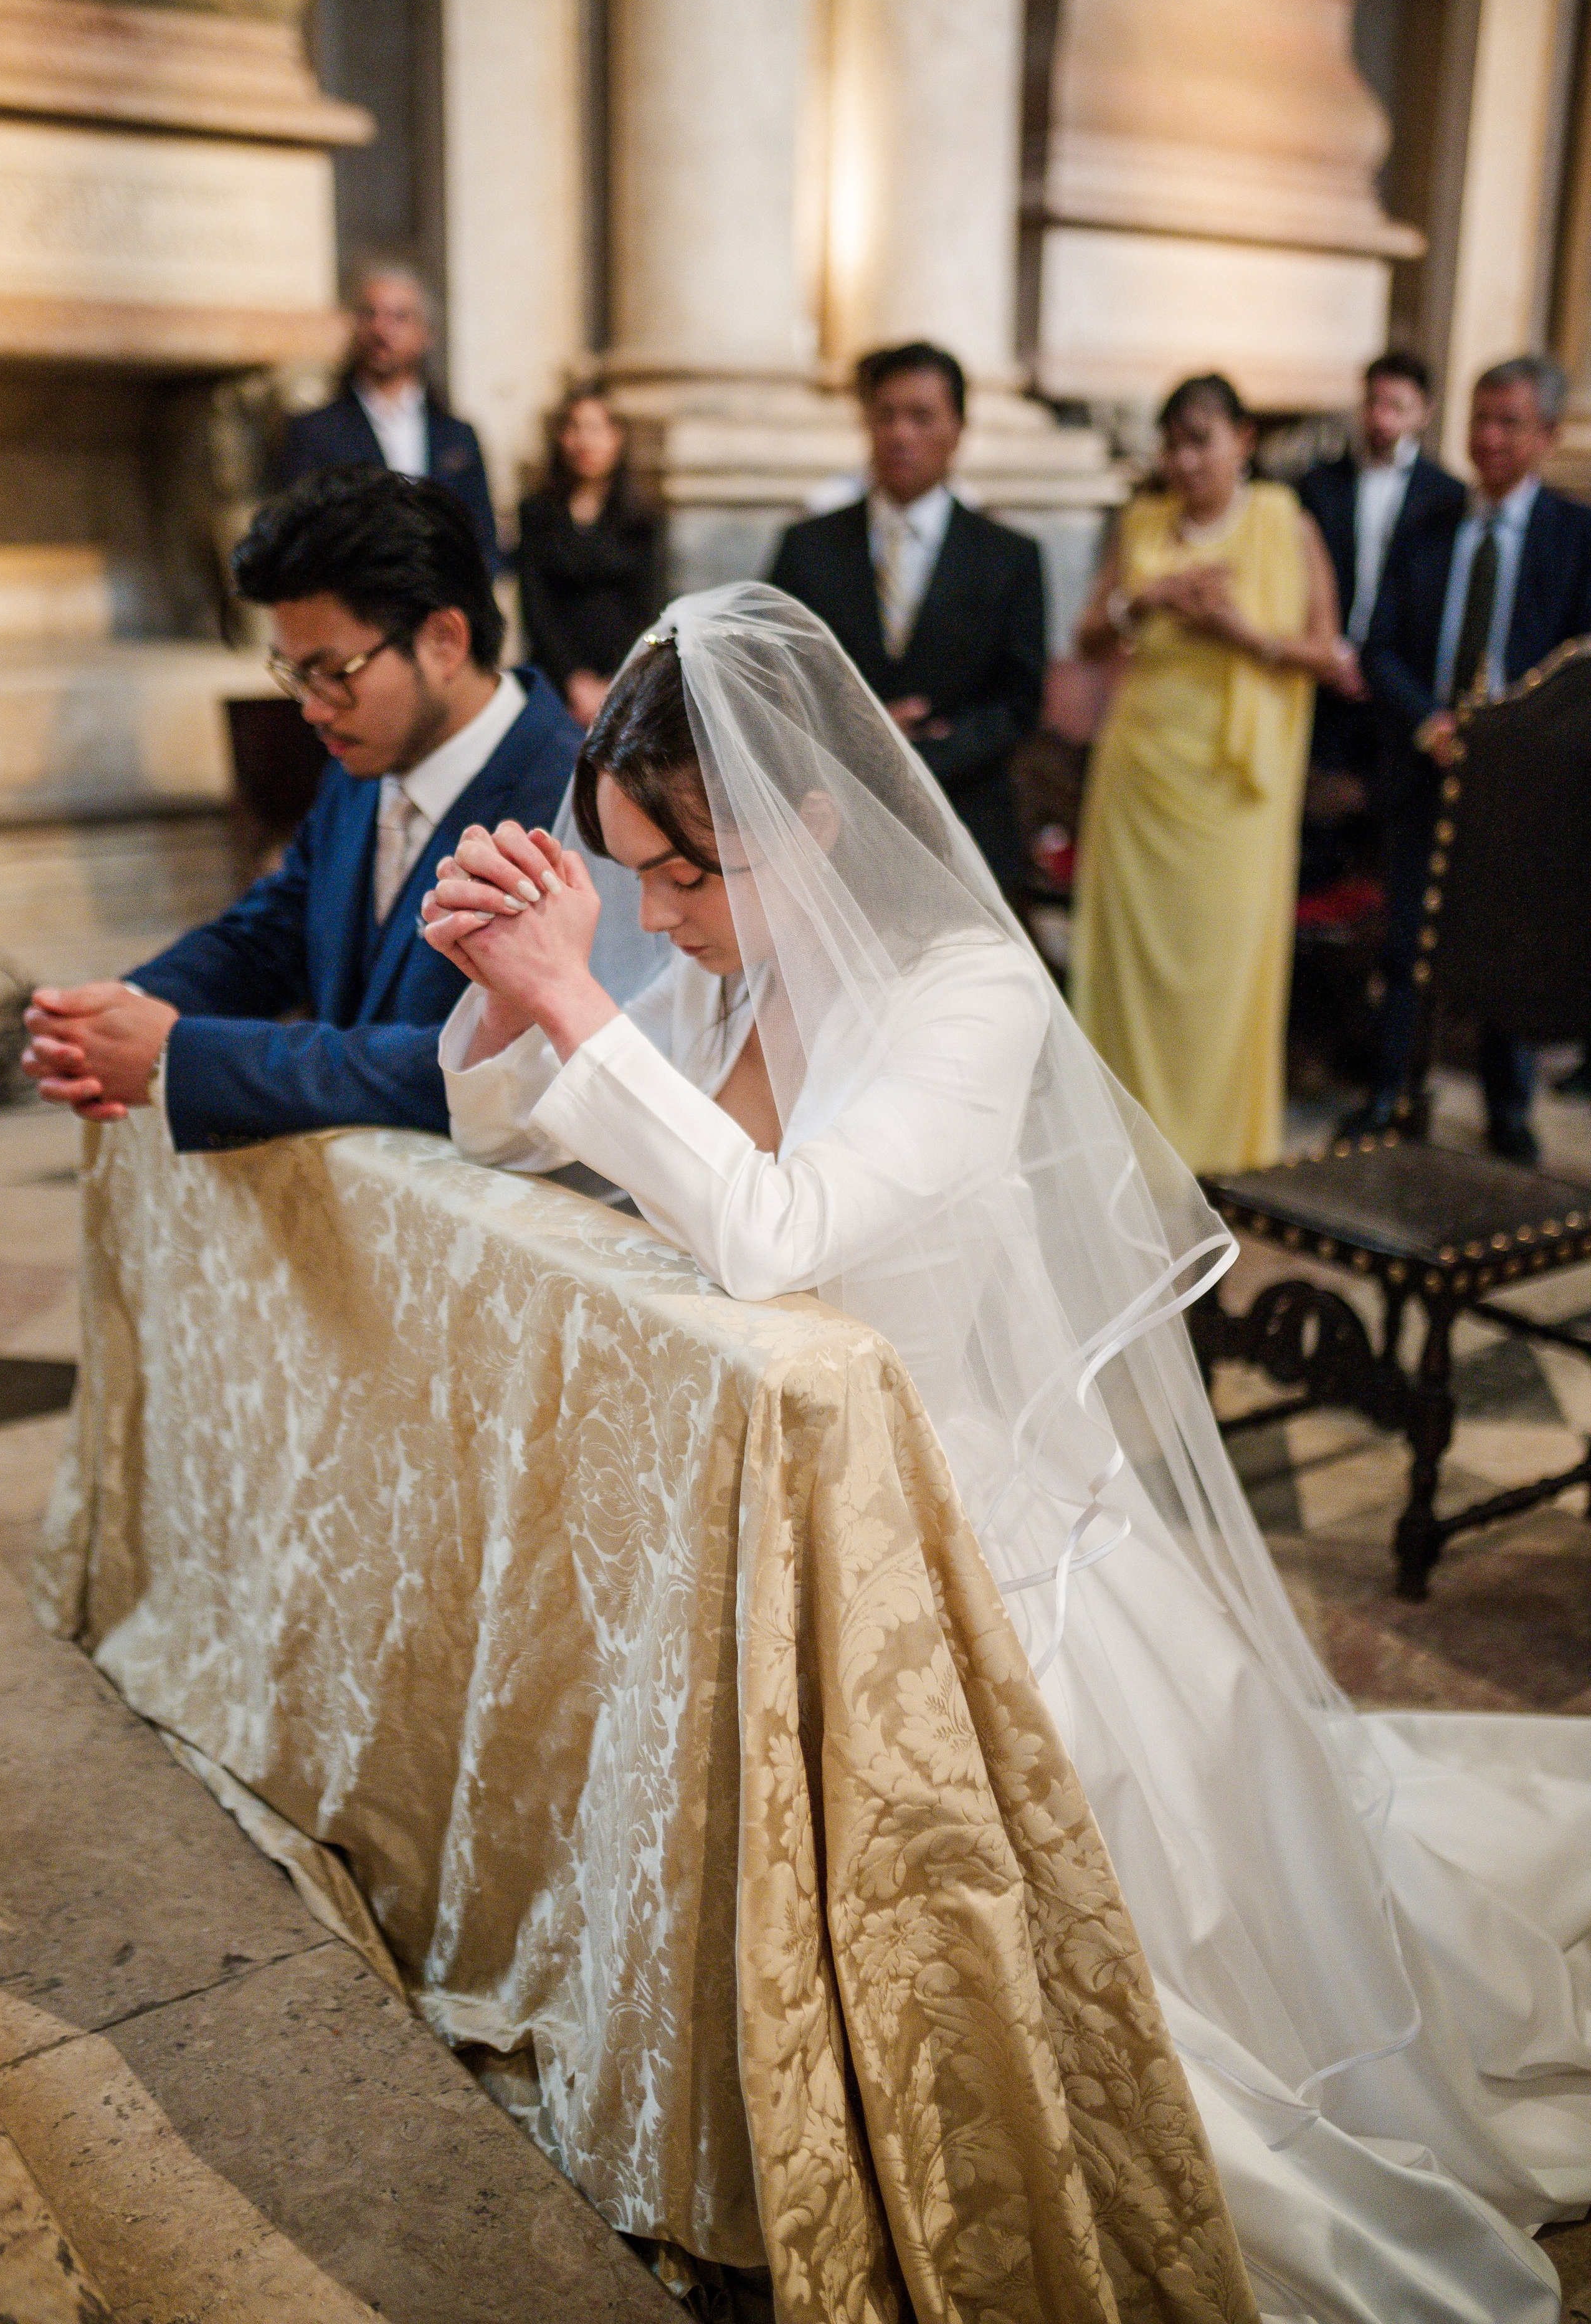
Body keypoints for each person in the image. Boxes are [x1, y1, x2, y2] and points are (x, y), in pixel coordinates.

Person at [422, 581, 1590, 2323]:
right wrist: (506, 995)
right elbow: (514, 1132)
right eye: (633, 877)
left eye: (684, 874)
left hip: (963, 1527)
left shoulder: (968, 995)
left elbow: (778, 1230)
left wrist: (578, 1003)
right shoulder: (730, 961)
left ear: (810, 824)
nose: (657, 917)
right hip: (786, 1499)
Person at [20, 469, 579, 1147]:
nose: (311, 709)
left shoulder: (569, 797)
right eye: (294, 673)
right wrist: (116, 1015)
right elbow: (275, 932)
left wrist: (182, 1058)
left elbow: (479, 1064)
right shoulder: (367, 759)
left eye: (333, 672)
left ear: (444, 640)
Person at [1068, 374, 1355, 1173]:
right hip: (1142, 771)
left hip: (1236, 787)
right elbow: (1087, 637)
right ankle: (1127, 1146)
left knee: (1222, 965)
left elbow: (1327, 652)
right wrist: (1146, 598)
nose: (1185, 461)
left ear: (1244, 440)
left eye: (1201, 440)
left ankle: (1217, 1150)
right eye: (1172, 444)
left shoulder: (1284, 521)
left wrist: (1241, 632)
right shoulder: (1141, 521)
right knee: (1130, 968)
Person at [1362, 354, 1591, 1160]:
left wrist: (1513, 740)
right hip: (1427, 767)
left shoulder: (1576, 536)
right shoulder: (1425, 523)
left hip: (1524, 787)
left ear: (1547, 435)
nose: (1488, 438)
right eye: (1479, 419)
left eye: (1508, 423)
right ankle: (1390, 1096)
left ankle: (1507, 1108)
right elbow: (1378, 646)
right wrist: (1428, 723)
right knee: (1406, 941)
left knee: (1509, 942)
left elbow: (1579, 667)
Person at [768, 341, 1044, 897]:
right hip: (835, 826)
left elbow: (1019, 703)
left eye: (922, 417)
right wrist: (861, 733)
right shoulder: (808, 546)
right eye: (886, 415)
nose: (900, 435)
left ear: (957, 429)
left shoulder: (1008, 556)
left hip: (964, 822)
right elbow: (772, 677)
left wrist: (919, 756)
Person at [1296, 353, 1464, 843]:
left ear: (1424, 412)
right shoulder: (1317, 486)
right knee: (1317, 821)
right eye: (1373, 404)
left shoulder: (1448, 496)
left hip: (1400, 679)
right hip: (1325, 671)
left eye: (1397, 407)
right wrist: (1331, 649)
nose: (1381, 419)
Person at [273, 262, 501, 578]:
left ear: (426, 334)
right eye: (370, 315)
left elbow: (482, 543)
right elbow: (297, 541)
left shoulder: (458, 437)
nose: (382, 330)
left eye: (399, 317)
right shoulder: (314, 433)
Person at [515, 388, 663, 728]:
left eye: (596, 429)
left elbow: (649, 605)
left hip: (625, 681)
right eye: (575, 428)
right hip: (556, 680)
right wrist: (573, 680)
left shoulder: (643, 516)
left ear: (616, 438)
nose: (585, 441)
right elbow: (536, 605)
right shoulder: (538, 512)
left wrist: (612, 682)